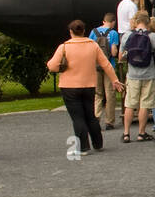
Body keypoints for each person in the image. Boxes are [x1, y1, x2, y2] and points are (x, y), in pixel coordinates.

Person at [47, 19, 123, 154]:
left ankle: (83, 147)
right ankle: (98, 143)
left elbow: (52, 66)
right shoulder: (92, 45)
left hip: (69, 86)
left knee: (78, 117)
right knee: (90, 115)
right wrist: (114, 80)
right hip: (88, 85)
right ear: (83, 31)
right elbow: (106, 64)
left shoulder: (64, 46)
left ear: (71, 32)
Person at [121, 10, 155, 143]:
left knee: (129, 104)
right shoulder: (153, 37)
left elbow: (121, 57)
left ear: (135, 21)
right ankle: (141, 133)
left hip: (132, 75)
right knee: (145, 104)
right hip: (148, 74)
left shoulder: (127, 35)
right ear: (148, 22)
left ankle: (126, 134)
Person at [89, 13, 120, 129]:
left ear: (103, 21)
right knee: (110, 94)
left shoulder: (93, 32)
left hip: (96, 67)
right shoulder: (113, 33)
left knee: (98, 93)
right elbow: (113, 52)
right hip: (109, 66)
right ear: (113, 22)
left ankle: (96, 118)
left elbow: (90, 49)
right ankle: (109, 121)